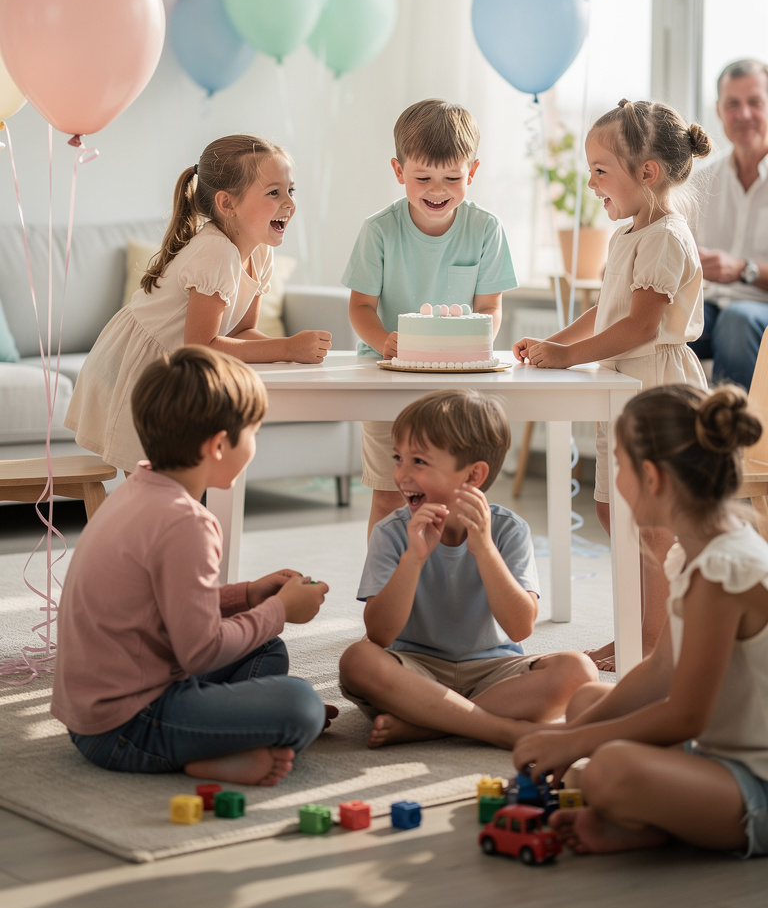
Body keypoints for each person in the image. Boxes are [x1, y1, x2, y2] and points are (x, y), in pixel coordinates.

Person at [513, 383, 768, 860]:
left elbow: (685, 715)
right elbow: (659, 671)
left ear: (650, 477)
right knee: (586, 701)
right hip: (714, 751)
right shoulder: (695, 554)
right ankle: (656, 818)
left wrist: (577, 742)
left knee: (609, 769)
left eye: (619, 466)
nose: (616, 479)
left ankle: (659, 816)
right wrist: (571, 734)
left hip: (756, 783)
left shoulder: (722, 573)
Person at [52, 346, 329, 784]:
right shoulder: (188, 523)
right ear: (218, 445)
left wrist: (246, 597)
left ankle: (223, 730)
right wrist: (279, 611)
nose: (256, 444)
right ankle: (205, 750)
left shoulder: (140, 488)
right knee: (301, 705)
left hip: (95, 711)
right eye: (254, 432)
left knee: (265, 650)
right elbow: (201, 652)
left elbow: (164, 604)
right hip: (125, 727)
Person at [513, 98, 712, 670]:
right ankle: (638, 631)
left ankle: (652, 642)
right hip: (618, 387)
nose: (592, 181)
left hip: (655, 390)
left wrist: (569, 355)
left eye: (601, 170)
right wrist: (555, 344)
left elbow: (642, 324)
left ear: (646, 173)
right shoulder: (631, 233)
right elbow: (609, 311)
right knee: (610, 513)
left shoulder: (668, 237)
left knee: (648, 522)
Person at [339, 390, 597, 750]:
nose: (400, 474)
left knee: (579, 671)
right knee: (358, 660)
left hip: (494, 672)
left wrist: (485, 550)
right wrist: (413, 558)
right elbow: (379, 635)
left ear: (473, 474)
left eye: (419, 462)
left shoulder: (509, 530)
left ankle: (429, 725)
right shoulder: (391, 532)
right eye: (398, 458)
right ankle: (498, 730)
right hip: (414, 670)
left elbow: (520, 626)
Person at [65, 134, 332, 473]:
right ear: (227, 203)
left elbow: (244, 331)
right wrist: (287, 349)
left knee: (174, 478)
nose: (290, 203)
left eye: (291, 190)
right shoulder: (216, 251)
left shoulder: (261, 252)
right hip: (139, 365)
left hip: (177, 365)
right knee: (156, 480)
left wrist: (291, 352)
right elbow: (202, 345)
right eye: (274, 192)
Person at [342, 99, 517, 538]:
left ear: (471, 172)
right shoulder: (379, 231)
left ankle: (441, 587)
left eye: (452, 178)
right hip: (385, 375)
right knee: (389, 491)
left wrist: (474, 340)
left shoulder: (486, 229)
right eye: (422, 177)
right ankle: (383, 589)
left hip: (458, 380)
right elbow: (360, 307)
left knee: (453, 493)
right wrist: (384, 340)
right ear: (399, 171)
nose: (436, 189)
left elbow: (491, 307)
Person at [690, 58, 768, 391]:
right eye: (732, 104)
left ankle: (733, 441)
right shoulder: (702, 181)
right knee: (658, 324)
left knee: (738, 322)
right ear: (719, 111)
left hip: (757, 313)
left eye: (755, 103)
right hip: (710, 309)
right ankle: (657, 440)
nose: (744, 114)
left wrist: (743, 269)